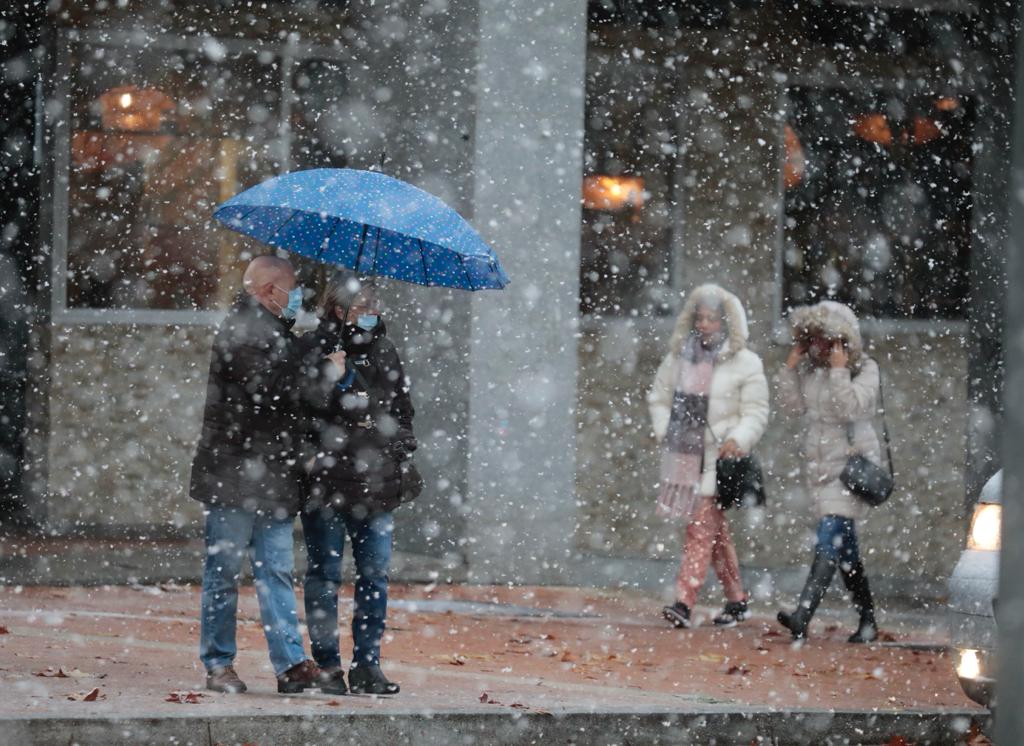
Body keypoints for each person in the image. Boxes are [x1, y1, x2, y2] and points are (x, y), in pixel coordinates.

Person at [189, 255, 345, 694]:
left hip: (271, 475)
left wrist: (313, 352)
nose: (297, 297)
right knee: (224, 571)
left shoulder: (273, 332)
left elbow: (285, 381)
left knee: (274, 569)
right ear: (265, 291)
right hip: (236, 476)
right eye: (290, 289)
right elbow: (275, 393)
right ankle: (219, 663)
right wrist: (324, 372)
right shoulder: (243, 331)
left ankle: (291, 663)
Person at [298, 271, 416, 695]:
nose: (371, 313)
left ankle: (368, 664)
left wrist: (397, 448)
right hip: (326, 484)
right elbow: (301, 411)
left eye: (373, 305)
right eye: (362, 306)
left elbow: (403, 410)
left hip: (377, 484)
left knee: (374, 575)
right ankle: (327, 664)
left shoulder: (385, 350)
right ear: (337, 309)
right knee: (325, 575)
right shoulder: (313, 348)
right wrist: (330, 375)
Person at [649, 284, 769, 629]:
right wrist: (664, 430)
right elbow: (658, 398)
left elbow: (756, 411)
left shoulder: (746, 363)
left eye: (712, 319)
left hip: (721, 460)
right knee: (714, 534)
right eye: (699, 318)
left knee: (699, 530)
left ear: (727, 322)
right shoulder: (678, 358)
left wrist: (738, 437)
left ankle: (684, 602)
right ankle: (737, 600)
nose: (704, 325)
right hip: (686, 456)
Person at [775, 300, 881, 643]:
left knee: (829, 536)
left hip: (851, 469)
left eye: (827, 340)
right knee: (845, 550)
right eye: (815, 340)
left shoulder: (865, 369)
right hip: (820, 469)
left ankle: (802, 616)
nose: (820, 347)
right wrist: (790, 368)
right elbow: (792, 406)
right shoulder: (813, 371)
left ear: (842, 340)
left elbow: (851, 407)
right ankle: (868, 619)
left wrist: (839, 369)